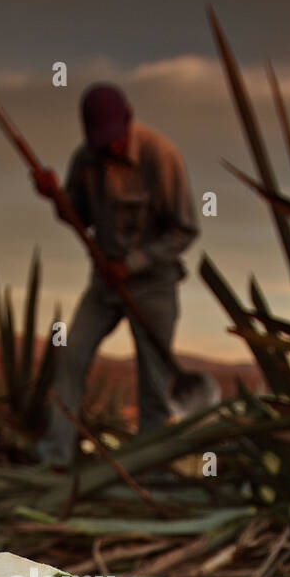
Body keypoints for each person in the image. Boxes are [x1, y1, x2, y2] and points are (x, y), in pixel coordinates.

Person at [33, 83, 199, 467]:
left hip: (153, 285)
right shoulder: (86, 159)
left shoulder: (162, 157)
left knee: (154, 381)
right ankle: (57, 453)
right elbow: (79, 215)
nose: (111, 148)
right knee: (71, 356)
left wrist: (135, 263)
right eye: (101, 141)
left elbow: (184, 230)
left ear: (128, 119)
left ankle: (149, 466)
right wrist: (55, 197)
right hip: (105, 282)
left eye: (116, 139)